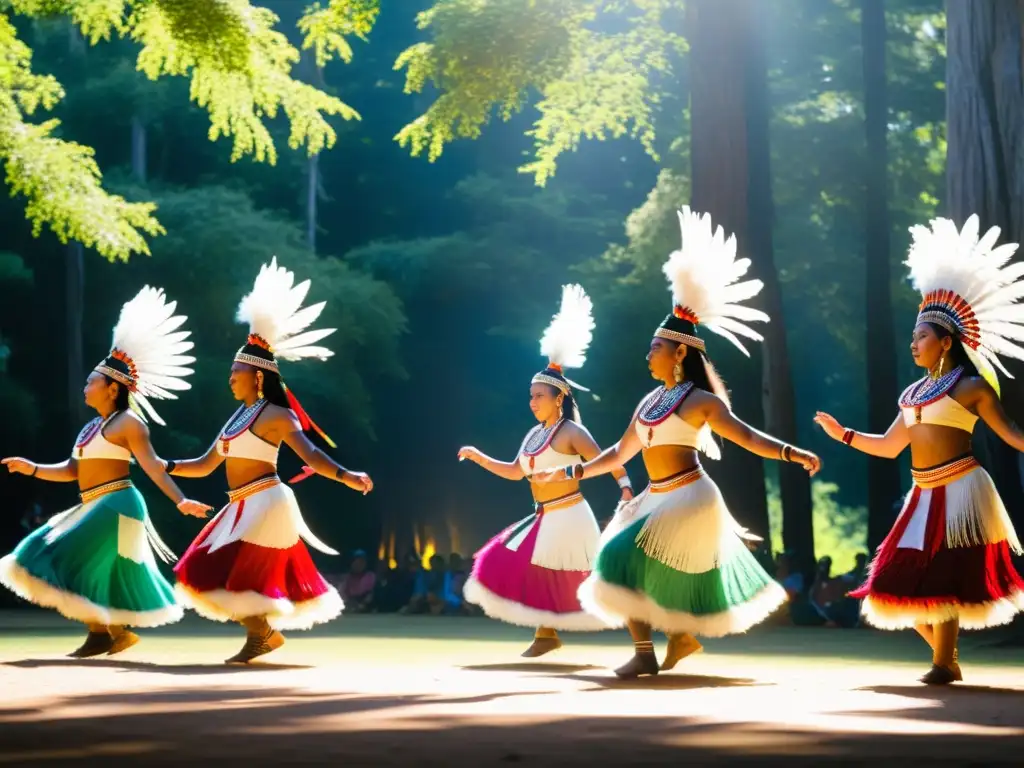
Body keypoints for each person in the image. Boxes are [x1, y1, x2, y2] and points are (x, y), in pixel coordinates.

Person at [536, 208, 820, 678]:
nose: (648, 353)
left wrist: (792, 452)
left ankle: (656, 648)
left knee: (623, 556)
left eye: (656, 347)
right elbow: (620, 453)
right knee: (617, 562)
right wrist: (568, 472)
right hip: (655, 496)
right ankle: (670, 642)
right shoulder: (649, 401)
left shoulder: (700, 401)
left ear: (680, 352)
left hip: (690, 495)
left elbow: (747, 437)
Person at [815, 214, 1024, 684]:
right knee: (892, 584)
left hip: (963, 489)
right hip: (922, 494)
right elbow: (890, 447)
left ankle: (942, 664)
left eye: (922, 337)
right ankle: (947, 660)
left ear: (946, 342)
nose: (913, 344)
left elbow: (1011, 433)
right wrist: (843, 434)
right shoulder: (911, 394)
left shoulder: (971, 387)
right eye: (912, 337)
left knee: (946, 575)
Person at [166, 257, 374, 664]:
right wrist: (166, 465)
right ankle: (264, 635)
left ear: (258, 376)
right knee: (208, 568)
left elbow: (310, 453)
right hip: (239, 503)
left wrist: (346, 476)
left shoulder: (278, 415)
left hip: (266, 500)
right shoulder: (236, 417)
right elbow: (206, 464)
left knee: (241, 575)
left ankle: (260, 636)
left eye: (236, 372)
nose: (230, 378)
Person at [0, 287, 211, 657]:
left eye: (91, 381)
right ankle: (106, 633)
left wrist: (181, 500)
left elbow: (152, 467)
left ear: (112, 388)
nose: (86, 385)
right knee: (49, 554)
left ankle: (106, 631)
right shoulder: (90, 428)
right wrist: (30, 468)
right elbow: (70, 472)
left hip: (118, 504)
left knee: (69, 557)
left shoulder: (130, 424)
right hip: (91, 504)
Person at [458, 284, 633, 656]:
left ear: (560, 398)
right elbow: (514, 472)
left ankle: (650, 629)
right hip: (543, 515)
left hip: (570, 514)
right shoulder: (533, 435)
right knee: (507, 561)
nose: (532, 401)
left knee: (591, 579)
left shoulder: (572, 431)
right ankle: (546, 634)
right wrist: (478, 456)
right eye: (531, 395)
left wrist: (626, 487)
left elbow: (608, 459)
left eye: (539, 396)